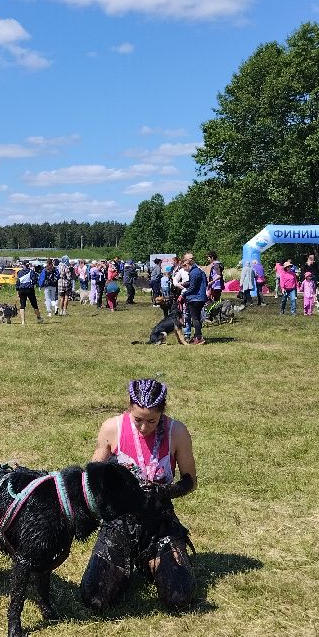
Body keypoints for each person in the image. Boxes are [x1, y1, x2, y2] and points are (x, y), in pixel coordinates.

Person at [80, 379, 197, 613]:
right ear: (129, 407)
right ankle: (126, 563)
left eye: (152, 421)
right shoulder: (113, 428)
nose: (144, 428)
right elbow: (91, 477)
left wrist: (165, 491)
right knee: (94, 598)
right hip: (120, 522)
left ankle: (149, 560)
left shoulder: (177, 431)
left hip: (159, 521)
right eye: (138, 420)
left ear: (162, 412)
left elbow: (190, 481)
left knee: (179, 597)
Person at [182, 253, 207, 344]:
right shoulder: (199, 271)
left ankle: (199, 338)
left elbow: (192, 288)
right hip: (201, 297)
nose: (185, 270)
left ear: (188, 264)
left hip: (195, 298)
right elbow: (199, 283)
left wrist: (183, 295)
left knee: (195, 319)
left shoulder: (194, 272)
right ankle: (197, 335)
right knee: (197, 318)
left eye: (184, 267)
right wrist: (187, 283)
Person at [15, 260, 43, 325]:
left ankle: (23, 322)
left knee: (22, 305)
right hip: (29, 289)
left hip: (21, 290)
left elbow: (17, 282)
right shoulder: (31, 272)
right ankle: (39, 318)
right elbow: (35, 280)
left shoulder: (19, 272)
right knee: (34, 304)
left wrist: (17, 290)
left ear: (23, 265)